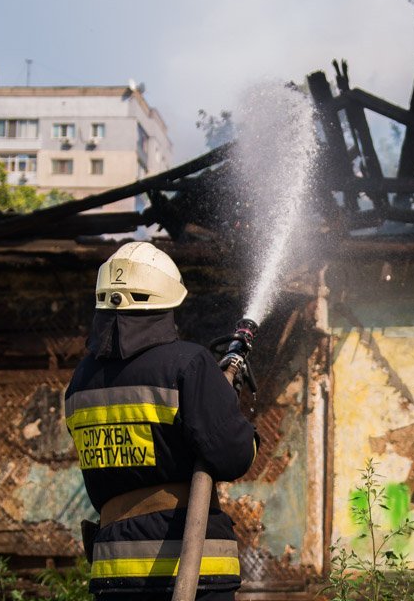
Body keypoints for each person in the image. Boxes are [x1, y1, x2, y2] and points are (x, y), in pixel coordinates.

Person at [66, 242, 257, 600]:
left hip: (113, 569)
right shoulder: (188, 364)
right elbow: (233, 455)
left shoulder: (81, 380)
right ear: (168, 302)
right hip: (192, 564)